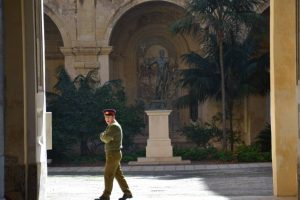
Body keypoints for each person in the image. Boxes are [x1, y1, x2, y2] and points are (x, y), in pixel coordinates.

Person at [95, 109, 133, 200]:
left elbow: (105, 139)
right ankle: (127, 193)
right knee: (118, 175)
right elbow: (106, 137)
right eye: (106, 117)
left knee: (108, 175)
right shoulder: (112, 126)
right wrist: (104, 135)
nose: (107, 119)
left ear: (113, 117)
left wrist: (102, 135)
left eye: (109, 117)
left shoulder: (113, 127)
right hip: (114, 154)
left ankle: (106, 195)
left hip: (113, 154)